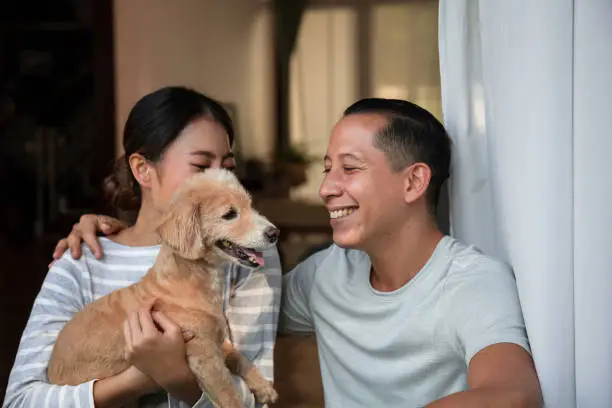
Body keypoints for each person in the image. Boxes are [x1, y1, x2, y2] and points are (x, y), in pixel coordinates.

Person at [45, 98, 542, 407]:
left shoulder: (474, 279)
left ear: (414, 180)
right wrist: (119, 232)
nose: (327, 188)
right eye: (327, 169)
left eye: (349, 168)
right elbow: (215, 317)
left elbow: (513, 394)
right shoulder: (322, 277)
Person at [3, 86, 281, 408]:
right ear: (142, 169)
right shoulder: (82, 262)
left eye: (227, 168)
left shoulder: (246, 259)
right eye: (202, 167)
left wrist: (178, 378)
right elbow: (21, 401)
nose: (221, 181)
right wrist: (134, 381)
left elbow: (257, 401)